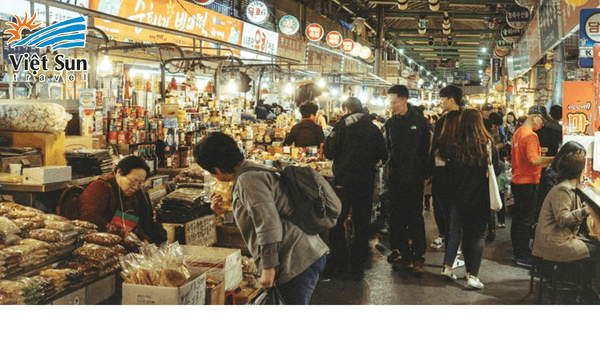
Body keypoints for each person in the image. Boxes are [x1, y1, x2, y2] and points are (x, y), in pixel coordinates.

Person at [195, 132, 328, 305]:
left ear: (217, 168)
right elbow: (256, 218)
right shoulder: (250, 171)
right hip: (302, 254)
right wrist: (223, 214)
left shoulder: (247, 180)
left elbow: (268, 224)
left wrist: (268, 268)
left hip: (296, 260)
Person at [323, 97, 387, 277]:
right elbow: (383, 154)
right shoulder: (374, 128)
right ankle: (358, 267)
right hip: (365, 182)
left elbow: (328, 152)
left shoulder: (342, 126)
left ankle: (340, 262)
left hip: (344, 181)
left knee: (336, 222)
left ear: (347, 109)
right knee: (361, 225)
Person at [439, 109, 500, 289]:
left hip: (458, 197)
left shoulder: (453, 144)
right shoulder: (487, 143)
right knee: (477, 236)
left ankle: (461, 269)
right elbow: (495, 170)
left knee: (461, 232)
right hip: (480, 198)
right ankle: (473, 275)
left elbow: (447, 173)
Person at [532, 147, 600, 298]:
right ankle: (587, 292)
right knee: (597, 251)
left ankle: (585, 289)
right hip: (553, 243)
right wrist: (585, 211)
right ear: (578, 170)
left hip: (557, 238)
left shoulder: (568, 186)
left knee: (595, 247)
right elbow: (562, 219)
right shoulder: (563, 189)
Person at [384, 85, 431, 275]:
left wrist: (425, 174)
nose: (392, 106)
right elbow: (388, 149)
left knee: (415, 217)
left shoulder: (420, 122)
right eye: (390, 102)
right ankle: (404, 254)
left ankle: (418, 256)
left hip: (414, 179)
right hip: (395, 178)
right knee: (397, 218)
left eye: (394, 102)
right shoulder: (390, 123)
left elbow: (426, 149)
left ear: (404, 100)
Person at [78, 156, 165, 244]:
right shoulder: (98, 188)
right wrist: (121, 233)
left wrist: (143, 239)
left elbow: (132, 222)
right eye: (132, 181)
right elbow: (89, 219)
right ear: (119, 172)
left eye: (140, 183)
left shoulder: (130, 196)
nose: (135, 187)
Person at [510, 105, 555, 267]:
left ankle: (516, 251)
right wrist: (554, 159)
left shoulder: (518, 132)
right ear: (535, 116)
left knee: (518, 218)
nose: (542, 124)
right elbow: (533, 160)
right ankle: (522, 254)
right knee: (525, 220)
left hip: (517, 180)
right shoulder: (531, 136)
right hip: (528, 182)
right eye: (542, 120)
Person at [429, 85, 462, 251]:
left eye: (443, 99)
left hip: (445, 173)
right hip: (460, 173)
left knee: (444, 208)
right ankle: (451, 243)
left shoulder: (446, 121)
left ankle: (449, 242)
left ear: (452, 99)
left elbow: (435, 147)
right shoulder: (467, 118)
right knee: (451, 210)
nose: (440, 102)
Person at [534, 141, 587, 235]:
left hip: (560, 229)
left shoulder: (566, 180)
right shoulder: (553, 177)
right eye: (577, 157)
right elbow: (561, 217)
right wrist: (585, 210)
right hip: (553, 232)